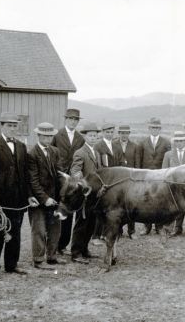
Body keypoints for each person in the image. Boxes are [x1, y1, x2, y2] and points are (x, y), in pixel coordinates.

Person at [0, 112, 38, 279]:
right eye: (9, 125)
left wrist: (29, 195)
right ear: (2, 126)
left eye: (15, 125)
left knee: (15, 233)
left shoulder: (22, 146)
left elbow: (26, 174)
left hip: (19, 200)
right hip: (0, 200)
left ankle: (11, 265)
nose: (12, 129)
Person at [27, 122, 64, 268]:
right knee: (39, 230)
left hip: (54, 198)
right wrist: (44, 198)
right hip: (38, 200)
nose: (48, 139)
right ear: (39, 136)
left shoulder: (55, 151)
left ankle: (52, 256)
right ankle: (38, 260)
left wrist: (64, 189)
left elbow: (60, 173)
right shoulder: (32, 154)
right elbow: (33, 181)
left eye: (50, 136)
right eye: (45, 136)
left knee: (55, 229)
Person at [51, 108, 85, 255]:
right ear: (66, 119)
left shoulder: (80, 138)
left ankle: (63, 244)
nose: (73, 121)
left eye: (75, 119)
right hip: (59, 178)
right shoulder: (57, 135)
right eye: (70, 119)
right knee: (56, 211)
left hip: (73, 182)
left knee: (69, 212)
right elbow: (51, 154)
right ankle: (52, 244)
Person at [69, 122, 102, 264]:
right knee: (81, 223)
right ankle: (75, 253)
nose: (93, 138)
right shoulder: (80, 152)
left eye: (95, 136)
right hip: (84, 194)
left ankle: (84, 249)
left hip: (96, 195)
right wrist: (81, 180)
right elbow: (75, 170)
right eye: (90, 135)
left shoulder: (97, 153)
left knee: (91, 223)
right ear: (85, 136)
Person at [138, 117, 171, 235]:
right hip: (146, 177)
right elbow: (139, 160)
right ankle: (146, 227)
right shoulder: (142, 143)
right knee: (146, 201)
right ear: (149, 128)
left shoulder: (166, 142)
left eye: (157, 128)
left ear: (160, 129)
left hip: (160, 177)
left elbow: (169, 159)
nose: (155, 129)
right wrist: (140, 175)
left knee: (160, 201)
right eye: (153, 127)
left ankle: (159, 226)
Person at [163, 131, 185, 237]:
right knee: (172, 208)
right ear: (174, 142)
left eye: (182, 141)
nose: (179, 143)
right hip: (172, 187)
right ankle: (172, 229)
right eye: (177, 141)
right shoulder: (168, 155)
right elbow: (164, 171)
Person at [92, 123, 118, 245]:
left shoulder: (115, 145)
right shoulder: (98, 146)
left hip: (113, 180)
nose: (109, 134)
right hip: (103, 181)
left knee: (110, 208)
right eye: (107, 132)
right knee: (100, 208)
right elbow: (98, 165)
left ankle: (105, 233)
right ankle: (96, 235)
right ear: (103, 132)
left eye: (111, 131)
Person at [114, 124, 140, 237]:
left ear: (129, 134)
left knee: (131, 204)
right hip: (118, 180)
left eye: (126, 133)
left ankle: (132, 231)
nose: (124, 135)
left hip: (131, 179)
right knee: (118, 205)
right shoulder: (114, 144)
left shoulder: (135, 146)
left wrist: (137, 178)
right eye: (122, 133)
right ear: (119, 133)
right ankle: (118, 230)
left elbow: (137, 164)